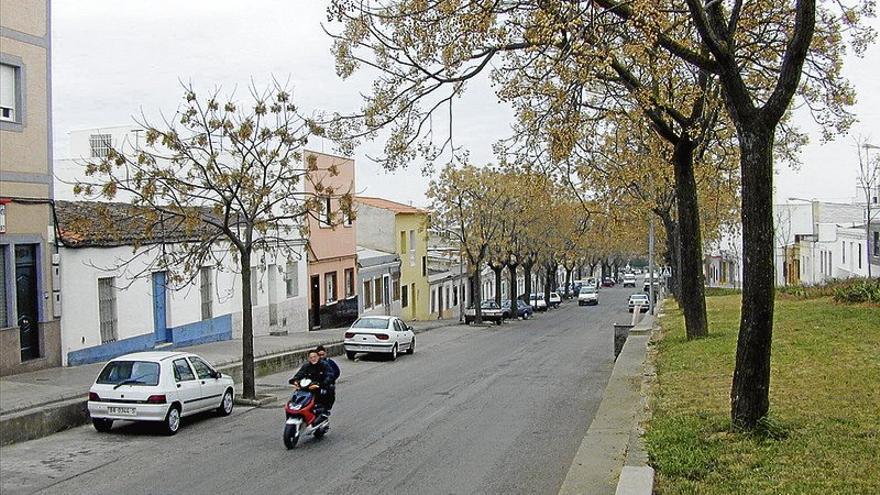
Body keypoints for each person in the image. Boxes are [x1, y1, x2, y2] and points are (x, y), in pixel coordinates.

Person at [289, 350, 334, 422]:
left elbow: (330, 375)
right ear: (308, 358)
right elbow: (299, 374)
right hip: (307, 386)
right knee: (297, 394)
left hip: (319, 385)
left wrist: (322, 383)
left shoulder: (324, 365)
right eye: (311, 357)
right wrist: (295, 381)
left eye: (315, 357)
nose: (313, 359)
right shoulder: (306, 366)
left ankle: (325, 410)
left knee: (329, 390)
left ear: (318, 357)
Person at [315, 345, 339, 413]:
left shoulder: (330, 363)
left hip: (326, 384)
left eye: (323, 354)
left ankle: (326, 408)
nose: (321, 357)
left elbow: (336, 372)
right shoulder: (313, 364)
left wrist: (329, 380)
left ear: (325, 354)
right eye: (319, 355)